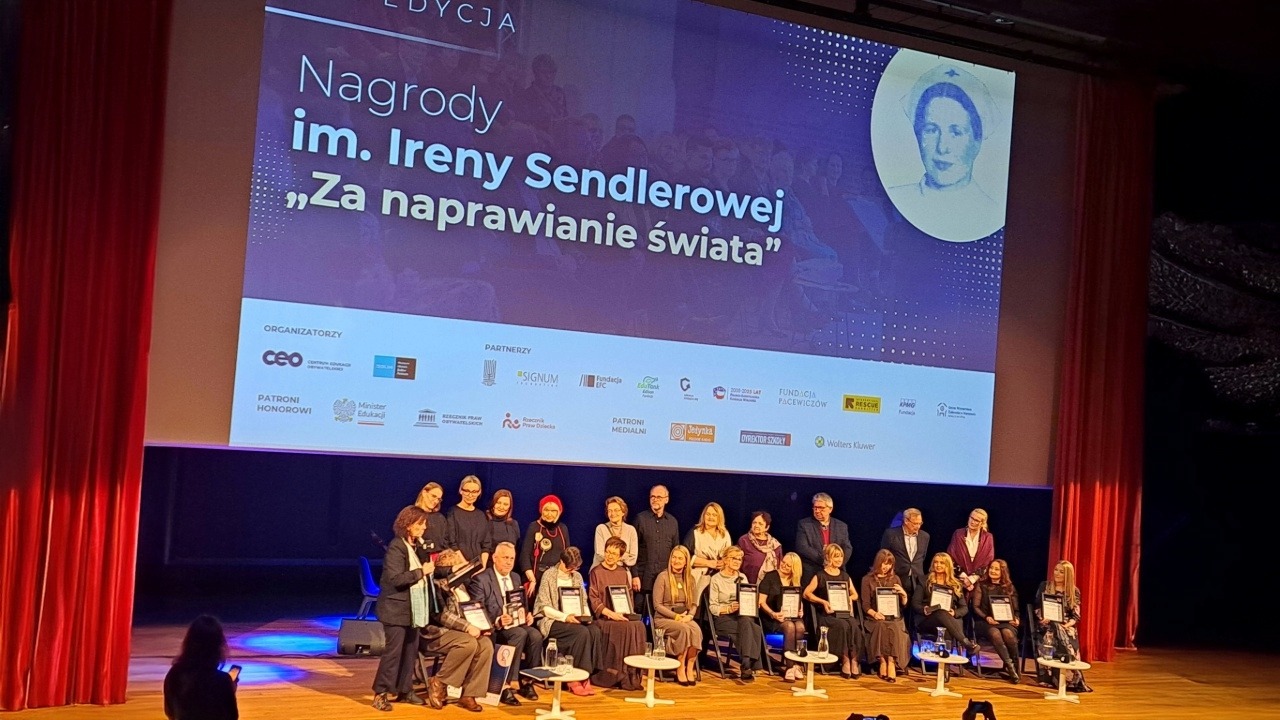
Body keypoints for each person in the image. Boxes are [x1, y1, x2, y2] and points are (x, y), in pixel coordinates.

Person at [884, 63, 1003, 243]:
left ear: (976, 141)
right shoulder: (896, 199)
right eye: (931, 130)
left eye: (956, 132)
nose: (942, 147)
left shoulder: (991, 213)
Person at [371, 505, 433, 711]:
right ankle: (380, 693)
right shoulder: (397, 547)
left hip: (413, 610)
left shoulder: (416, 547)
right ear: (408, 525)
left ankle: (405, 690)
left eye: (424, 524)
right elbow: (396, 579)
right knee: (393, 653)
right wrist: (421, 572)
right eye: (420, 524)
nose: (424, 528)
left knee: (410, 651)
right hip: (395, 609)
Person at [468, 541, 543, 705]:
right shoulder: (481, 579)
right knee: (519, 634)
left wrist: (527, 615)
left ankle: (527, 681)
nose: (509, 562)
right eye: (505, 558)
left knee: (536, 636)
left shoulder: (515, 577)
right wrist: (498, 620)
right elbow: (477, 611)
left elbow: (521, 603)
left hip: (516, 623)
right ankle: (505, 685)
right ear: (494, 558)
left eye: (512, 558)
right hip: (495, 628)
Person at [421, 548, 493, 713]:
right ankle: (439, 682)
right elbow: (442, 616)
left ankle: (469, 694)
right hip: (436, 634)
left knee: (486, 645)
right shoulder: (435, 586)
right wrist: (468, 627)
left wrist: (482, 626)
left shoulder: (460, 586)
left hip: (459, 633)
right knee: (468, 643)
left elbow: (470, 609)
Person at [533, 547, 599, 696]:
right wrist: (565, 617)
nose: (572, 570)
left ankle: (586, 675)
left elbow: (583, 601)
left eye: (576, 568)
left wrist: (586, 617)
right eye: (570, 567)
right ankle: (574, 678)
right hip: (552, 620)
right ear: (562, 562)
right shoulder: (549, 575)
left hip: (574, 619)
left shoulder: (577, 576)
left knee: (594, 630)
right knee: (581, 632)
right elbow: (544, 607)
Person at [587, 536, 646, 690]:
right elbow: (593, 598)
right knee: (620, 627)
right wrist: (610, 614)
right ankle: (615, 675)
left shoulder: (622, 572)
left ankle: (632, 675)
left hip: (621, 614)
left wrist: (627, 613)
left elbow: (628, 596)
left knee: (638, 626)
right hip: (604, 618)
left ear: (620, 556)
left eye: (614, 553)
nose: (609, 556)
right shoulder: (596, 572)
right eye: (608, 552)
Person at [803, 543, 864, 678]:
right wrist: (823, 602)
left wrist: (848, 598)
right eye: (836, 556)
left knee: (854, 625)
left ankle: (854, 660)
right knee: (842, 626)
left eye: (840, 556)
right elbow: (806, 593)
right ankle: (845, 659)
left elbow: (855, 594)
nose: (839, 559)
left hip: (844, 613)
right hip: (828, 615)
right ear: (828, 557)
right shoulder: (820, 575)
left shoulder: (845, 576)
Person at [912, 552, 980, 672]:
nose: (938, 565)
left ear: (948, 566)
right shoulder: (924, 580)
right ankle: (966, 643)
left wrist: (954, 613)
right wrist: (925, 609)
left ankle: (944, 666)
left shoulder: (956, 584)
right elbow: (915, 603)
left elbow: (964, 608)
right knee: (941, 613)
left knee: (946, 620)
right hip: (928, 620)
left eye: (942, 563)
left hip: (948, 621)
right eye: (936, 562)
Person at [163, 614, 238, 720]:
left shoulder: (174, 674)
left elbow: (169, 712)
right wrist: (230, 690)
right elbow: (231, 716)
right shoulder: (222, 680)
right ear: (218, 646)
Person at [707, 546, 764, 681]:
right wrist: (728, 609)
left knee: (746, 622)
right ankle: (750, 664)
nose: (738, 562)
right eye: (734, 558)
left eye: (740, 559)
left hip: (742, 616)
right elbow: (713, 607)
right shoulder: (716, 579)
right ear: (725, 560)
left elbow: (748, 595)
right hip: (723, 618)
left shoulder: (742, 577)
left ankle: (746, 663)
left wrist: (752, 602)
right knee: (753, 628)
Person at [1034, 559, 1090, 692]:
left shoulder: (1074, 591)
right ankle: (1055, 675)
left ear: (1068, 575)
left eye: (1061, 572)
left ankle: (1070, 679)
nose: (1057, 574)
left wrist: (1067, 624)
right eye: (1056, 570)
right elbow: (1037, 607)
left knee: (1062, 630)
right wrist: (1042, 618)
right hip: (1046, 623)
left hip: (1066, 625)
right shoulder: (1045, 586)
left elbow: (1075, 616)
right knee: (1054, 628)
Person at [651, 545, 703, 685]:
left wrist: (690, 616)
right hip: (663, 618)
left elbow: (694, 603)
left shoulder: (690, 579)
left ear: (686, 562)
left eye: (680, 558)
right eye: (674, 557)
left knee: (696, 630)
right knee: (684, 630)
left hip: (684, 617)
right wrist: (676, 617)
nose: (676, 561)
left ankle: (689, 668)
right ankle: (680, 667)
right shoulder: (663, 577)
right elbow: (657, 605)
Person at [860, 549, 911, 683]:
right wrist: (874, 613)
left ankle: (891, 662)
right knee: (881, 626)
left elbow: (903, 605)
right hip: (875, 617)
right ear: (878, 563)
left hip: (893, 616)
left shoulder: (895, 579)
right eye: (884, 563)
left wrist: (903, 594)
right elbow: (865, 605)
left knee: (895, 627)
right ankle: (882, 661)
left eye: (889, 564)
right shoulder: (867, 580)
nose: (886, 567)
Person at [758, 551, 807, 682]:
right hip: (772, 616)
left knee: (800, 627)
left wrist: (801, 609)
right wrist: (773, 614)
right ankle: (789, 666)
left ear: (794, 569)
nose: (783, 565)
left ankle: (797, 664)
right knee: (789, 627)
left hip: (791, 615)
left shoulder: (795, 581)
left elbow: (798, 599)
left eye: (788, 565)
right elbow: (761, 602)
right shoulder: (770, 576)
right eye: (783, 562)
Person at [972, 558, 1021, 683]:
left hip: (1005, 622)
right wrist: (986, 617)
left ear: (1003, 572)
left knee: (1008, 633)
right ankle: (1010, 666)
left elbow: (1016, 609)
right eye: (991, 568)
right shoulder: (981, 585)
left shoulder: (1009, 587)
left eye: (996, 569)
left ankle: (1015, 666)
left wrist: (1016, 619)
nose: (993, 571)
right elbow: (975, 607)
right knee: (995, 633)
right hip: (985, 621)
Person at [520, 494, 570, 595]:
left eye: (553, 511)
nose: (549, 514)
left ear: (559, 512)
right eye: (546, 510)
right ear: (541, 510)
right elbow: (524, 555)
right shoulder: (534, 527)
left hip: (556, 578)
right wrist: (532, 579)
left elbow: (567, 556)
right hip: (535, 578)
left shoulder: (563, 529)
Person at [796, 492, 853, 582]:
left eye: (821, 508)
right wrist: (825, 561)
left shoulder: (841, 526)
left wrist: (837, 563)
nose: (817, 511)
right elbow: (802, 547)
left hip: (836, 572)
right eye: (815, 507)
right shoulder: (804, 524)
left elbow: (847, 548)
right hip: (813, 571)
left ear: (830, 509)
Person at [635, 485, 680, 594]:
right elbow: (633, 550)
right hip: (643, 579)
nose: (655, 499)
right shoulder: (640, 519)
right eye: (652, 497)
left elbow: (676, 551)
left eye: (659, 497)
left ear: (666, 499)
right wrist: (634, 575)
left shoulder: (672, 522)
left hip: (665, 578)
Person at [881, 507, 929, 600]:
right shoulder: (891, 534)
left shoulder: (925, 536)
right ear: (906, 521)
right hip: (897, 578)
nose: (918, 526)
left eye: (920, 523)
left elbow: (922, 556)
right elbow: (884, 556)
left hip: (917, 579)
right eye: (915, 523)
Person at [946, 508, 995, 599]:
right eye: (971, 518)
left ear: (982, 523)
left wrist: (972, 579)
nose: (972, 522)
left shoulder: (988, 537)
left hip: (979, 581)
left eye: (976, 520)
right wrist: (964, 577)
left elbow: (988, 560)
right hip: (958, 579)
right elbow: (950, 557)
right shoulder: (958, 533)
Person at [684, 502, 732, 593]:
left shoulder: (725, 534)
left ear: (719, 518)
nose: (710, 517)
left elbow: (730, 555)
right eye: (708, 514)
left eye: (714, 515)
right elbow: (685, 556)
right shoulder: (695, 533)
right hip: (699, 577)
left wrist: (723, 562)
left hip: (720, 577)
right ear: (703, 515)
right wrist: (708, 563)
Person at [592, 496, 639, 583]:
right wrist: (623, 555)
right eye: (610, 511)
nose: (612, 513)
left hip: (623, 573)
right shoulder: (601, 528)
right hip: (602, 573)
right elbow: (600, 554)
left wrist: (611, 556)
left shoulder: (631, 530)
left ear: (623, 512)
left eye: (616, 510)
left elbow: (633, 558)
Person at [449, 475, 492, 568]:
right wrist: (466, 566)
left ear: (479, 492)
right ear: (461, 490)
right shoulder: (452, 512)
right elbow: (452, 543)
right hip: (460, 565)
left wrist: (482, 566)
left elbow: (486, 544)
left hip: (479, 566)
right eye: (467, 491)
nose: (470, 495)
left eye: (474, 492)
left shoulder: (481, 515)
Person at [738, 510, 783, 584]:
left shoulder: (775, 545)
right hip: (747, 584)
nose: (756, 526)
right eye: (754, 523)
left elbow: (780, 567)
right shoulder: (744, 540)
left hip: (769, 586)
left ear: (767, 527)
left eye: (760, 524)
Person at [414, 482, 452, 563]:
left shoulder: (440, 518)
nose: (435, 501)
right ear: (424, 493)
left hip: (440, 563)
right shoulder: (412, 515)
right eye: (433, 496)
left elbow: (446, 542)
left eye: (438, 499)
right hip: (419, 562)